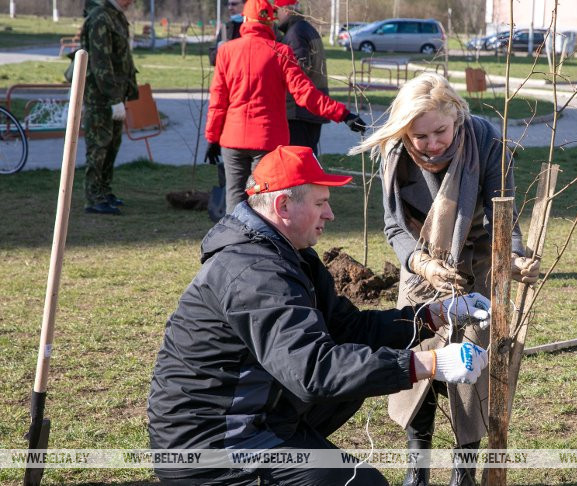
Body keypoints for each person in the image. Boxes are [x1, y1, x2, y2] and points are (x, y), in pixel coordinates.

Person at [147, 145, 492, 485]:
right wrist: (430, 364)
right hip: (209, 444)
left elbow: (350, 328)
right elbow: (314, 370)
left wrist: (434, 314)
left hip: (248, 415)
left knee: (351, 384)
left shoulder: (291, 256)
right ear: (283, 205)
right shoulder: (253, 272)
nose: (330, 215)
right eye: (320, 203)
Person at [349, 73, 540, 486]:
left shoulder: (485, 142)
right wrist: (421, 264)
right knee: (416, 370)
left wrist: (513, 257)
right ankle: (416, 473)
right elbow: (394, 228)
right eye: (421, 136)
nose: (432, 144)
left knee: (468, 371)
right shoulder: (395, 152)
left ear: (456, 115)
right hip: (421, 269)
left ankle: (463, 475)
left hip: (475, 264)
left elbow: (500, 217)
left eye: (440, 131)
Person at [204, 0, 367, 217]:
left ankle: (233, 246)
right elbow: (305, 94)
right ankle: (262, 246)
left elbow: (218, 101)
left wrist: (212, 138)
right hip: (267, 140)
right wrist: (343, 114)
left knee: (234, 197)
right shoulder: (280, 53)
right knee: (262, 200)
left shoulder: (227, 52)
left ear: (245, 20)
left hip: (232, 140)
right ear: (270, 22)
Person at [80, 0, 138, 215]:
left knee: (112, 146)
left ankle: (104, 191)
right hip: (101, 99)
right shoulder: (100, 18)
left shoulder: (116, 15)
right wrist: (114, 99)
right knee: (98, 148)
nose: (132, 2)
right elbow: (100, 63)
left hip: (115, 96)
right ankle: (93, 197)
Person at [275, 0, 329, 155]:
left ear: (285, 10)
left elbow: (298, 72)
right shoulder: (304, 28)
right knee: (308, 160)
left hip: (299, 112)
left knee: (298, 162)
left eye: (277, 11)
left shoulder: (295, 34)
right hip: (308, 110)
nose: (276, 16)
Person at [208, 0, 246, 66]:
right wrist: (219, 50)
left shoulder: (251, 27)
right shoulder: (225, 28)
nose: (230, 7)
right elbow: (213, 61)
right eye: (228, 4)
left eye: (234, 4)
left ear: (245, 5)